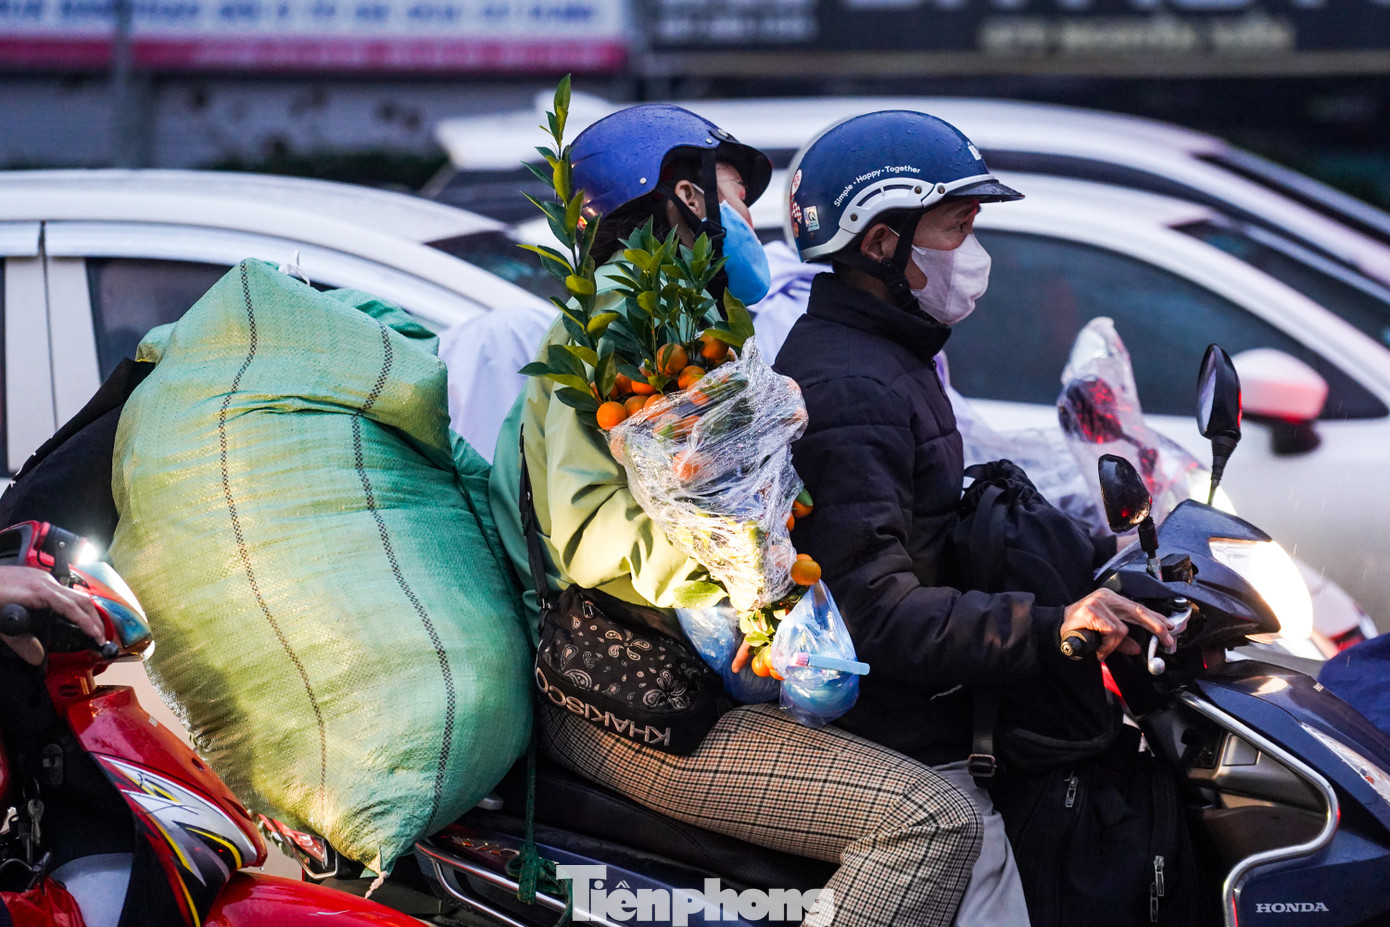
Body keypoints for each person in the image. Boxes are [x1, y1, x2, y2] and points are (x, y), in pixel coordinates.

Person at [489, 103, 988, 927]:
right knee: (926, 823)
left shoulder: (694, 318)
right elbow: (586, 536)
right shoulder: (620, 318)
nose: (751, 224)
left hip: (685, 672)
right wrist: (741, 567)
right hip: (625, 692)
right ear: (686, 197)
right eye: (737, 199)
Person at [773, 110, 1176, 925]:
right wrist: (1051, 624)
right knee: (995, 879)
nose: (975, 253)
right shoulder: (857, 388)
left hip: (943, 703)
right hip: (905, 728)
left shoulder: (889, 354)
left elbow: (928, 526)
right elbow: (875, 610)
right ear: (881, 243)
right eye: (957, 228)